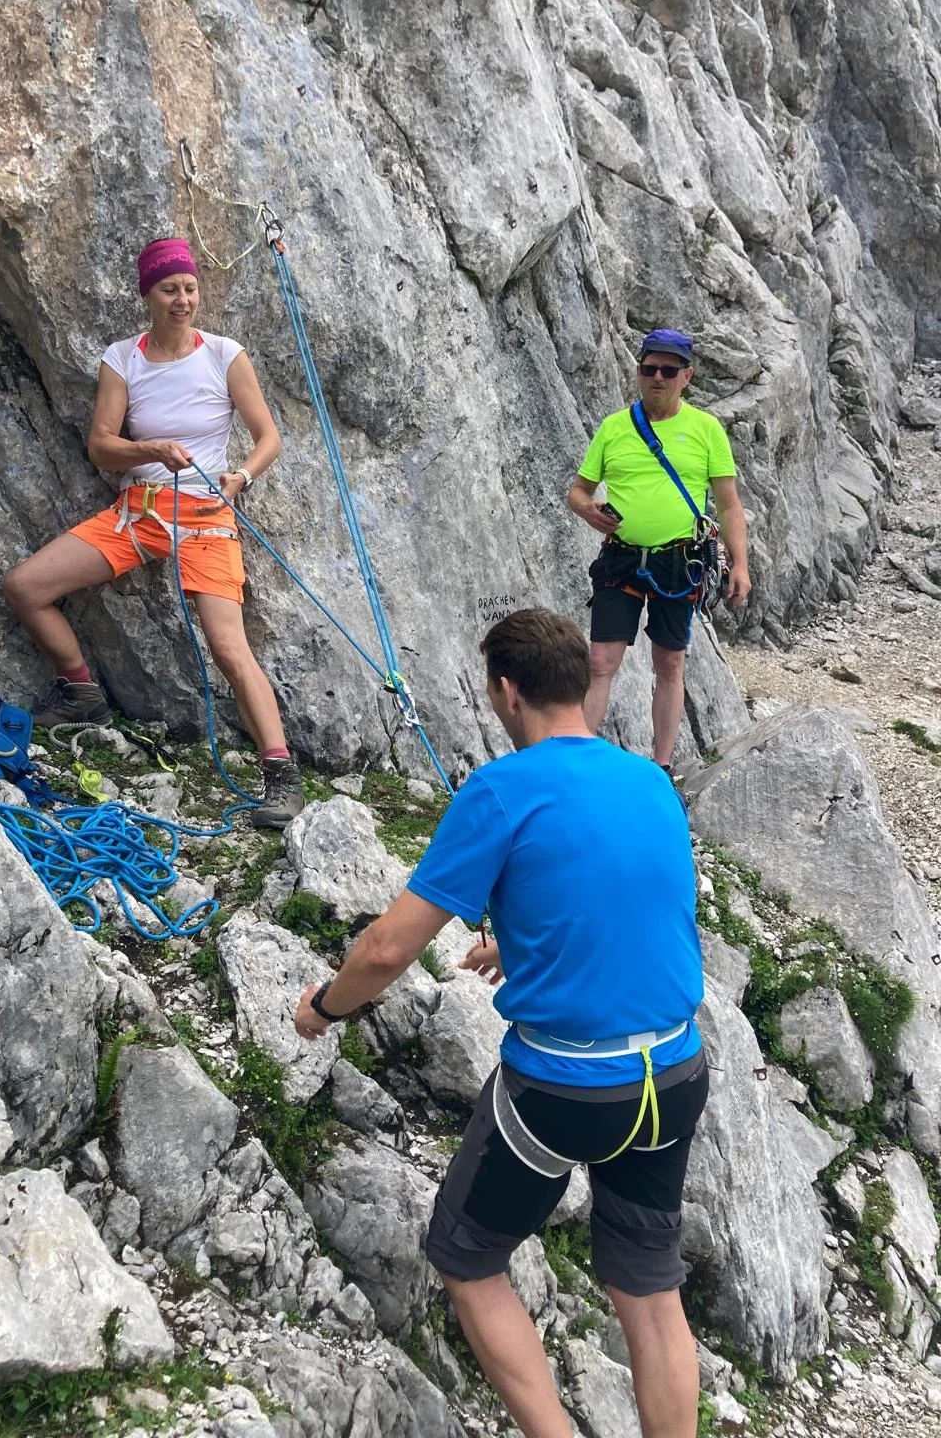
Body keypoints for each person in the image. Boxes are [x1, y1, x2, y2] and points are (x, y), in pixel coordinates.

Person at [294, 608, 707, 1438]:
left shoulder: (500, 791)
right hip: (673, 1075)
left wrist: (324, 1006)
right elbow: (633, 905)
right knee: (650, 1292)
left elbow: (387, 948)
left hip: (563, 1091)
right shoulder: (648, 780)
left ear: (506, 691)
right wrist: (521, 947)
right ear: (577, 683)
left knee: (468, 1258)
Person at [3, 237, 304, 830]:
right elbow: (101, 445)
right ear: (148, 295)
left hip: (206, 515)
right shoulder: (123, 359)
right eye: (170, 290)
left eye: (190, 288)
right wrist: (151, 450)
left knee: (229, 648)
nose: (183, 300)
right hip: (140, 511)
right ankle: (81, 691)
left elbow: (268, 437)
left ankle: (280, 772)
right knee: (24, 586)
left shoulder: (224, 355)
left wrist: (241, 477)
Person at [566, 328, 751, 775]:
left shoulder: (706, 430)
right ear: (639, 371)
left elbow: (729, 504)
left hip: (679, 560)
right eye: (650, 368)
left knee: (669, 663)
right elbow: (578, 492)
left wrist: (740, 565)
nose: (658, 378)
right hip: (621, 556)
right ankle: (575, 764)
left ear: (687, 376)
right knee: (601, 661)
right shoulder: (614, 428)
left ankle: (661, 767)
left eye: (669, 370)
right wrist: (589, 512)